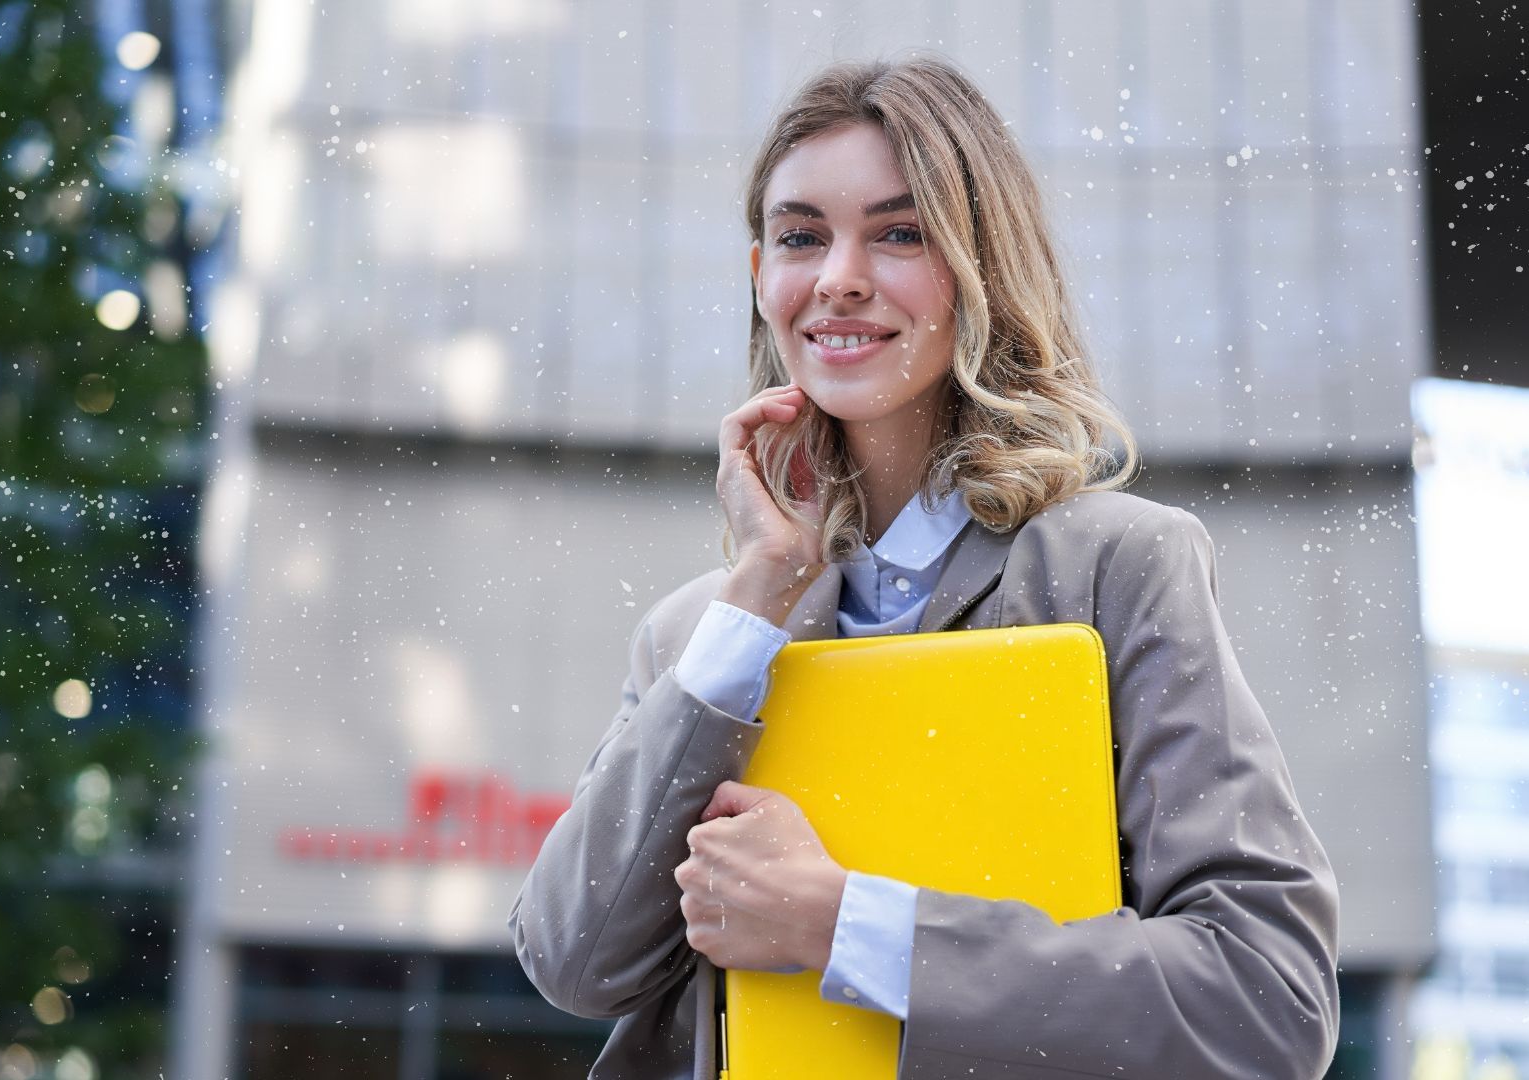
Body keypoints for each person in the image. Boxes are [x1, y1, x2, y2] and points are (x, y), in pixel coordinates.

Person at [509, 53, 1340, 1079]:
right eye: (800, 236)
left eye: (899, 233)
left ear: (980, 264)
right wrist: (760, 593)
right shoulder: (701, 634)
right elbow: (572, 960)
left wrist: (844, 926)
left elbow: (1267, 997)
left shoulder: (1116, 570)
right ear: (761, 274)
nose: (839, 275)